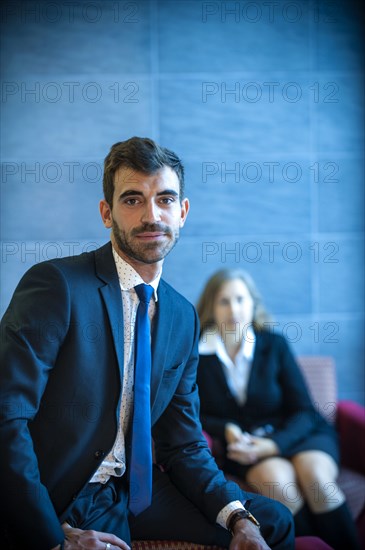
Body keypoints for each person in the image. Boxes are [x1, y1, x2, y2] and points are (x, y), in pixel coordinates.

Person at [0, 138, 294, 550]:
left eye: (165, 199)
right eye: (133, 199)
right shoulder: (57, 286)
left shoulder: (181, 316)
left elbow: (185, 443)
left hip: (129, 493)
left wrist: (237, 516)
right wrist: (51, 538)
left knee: (272, 521)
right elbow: (7, 417)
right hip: (58, 493)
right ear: (107, 212)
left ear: (183, 212)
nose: (151, 215)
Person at [196, 268, 360, 550]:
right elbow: (194, 413)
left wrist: (272, 445)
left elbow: (305, 411)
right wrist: (228, 429)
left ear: (252, 304)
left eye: (240, 299)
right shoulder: (198, 354)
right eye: (224, 301)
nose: (234, 308)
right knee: (279, 483)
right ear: (211, 306)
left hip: (300, 435)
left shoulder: (274, 345)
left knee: (318, 479)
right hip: (247, 447)